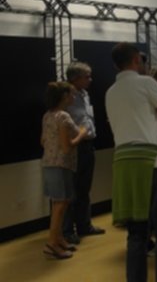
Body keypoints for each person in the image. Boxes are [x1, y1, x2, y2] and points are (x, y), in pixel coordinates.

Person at [105, 42, 157, 282]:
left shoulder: (110, 92)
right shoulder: (147, 83)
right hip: (152, 162)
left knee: (137, 234)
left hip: (123, 165)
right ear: (137, 59)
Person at [41, 81, 88, 259]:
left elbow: (43, 141)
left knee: (59, 203)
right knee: (60, 205)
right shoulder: (63, 117)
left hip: (49, 163)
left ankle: (59, 238)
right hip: (61, 165)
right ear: (64, 96)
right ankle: (52, 244)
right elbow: (67, 147)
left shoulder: (47, 116)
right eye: (71, 94)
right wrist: (82, 134)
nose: (73, 97)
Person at [62, 62, 105, 246]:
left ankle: (84, 225)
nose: (90, 79)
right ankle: (67, 231)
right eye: (86, 76)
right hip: (74, 145)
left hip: (88, 144)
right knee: (71, 190)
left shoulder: (85, 94)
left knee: (84, 188)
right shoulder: (65, 94)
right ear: (75, 78)